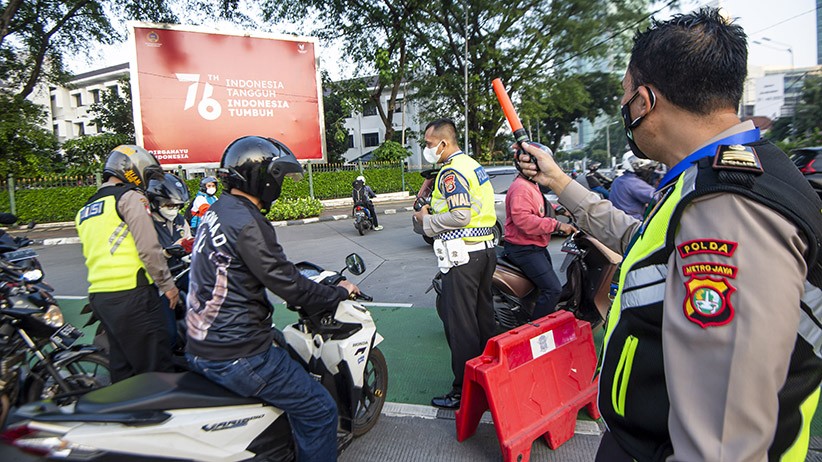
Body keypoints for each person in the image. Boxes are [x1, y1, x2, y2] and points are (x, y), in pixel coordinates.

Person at [515, 8, 822, 461]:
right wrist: (558, 181)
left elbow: (721, 446)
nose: (625, 108)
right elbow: (646, 244)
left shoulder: (730, 208)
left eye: (624, 96)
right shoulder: (709, 179)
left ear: (644, 101)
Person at [185, 136, 360, 462]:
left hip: (203, 341)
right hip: (237, 352)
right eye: (278, 177)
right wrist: (335, 292)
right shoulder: (248, 222)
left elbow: (260, 268)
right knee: (320, 410)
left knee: (285, 347)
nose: (279, 184)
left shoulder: (219, 210)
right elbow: (290, 287)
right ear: (262, 178)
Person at [412, 118, 497, 410]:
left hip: (463, 257)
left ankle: (464, 392)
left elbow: (459, 215)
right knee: (483, 321)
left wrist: (427, 221)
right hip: (484, 252)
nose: (426, 148)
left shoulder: (452, 172)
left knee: (460, 327)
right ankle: (488, 383)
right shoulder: (472, 165)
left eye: (428, 143)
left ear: (444, 143)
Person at [75, 145, 178, 383]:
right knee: (156, 368)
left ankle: (128, 414)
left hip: (100, 297)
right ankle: (157, 414)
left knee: (123, 367)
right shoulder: (131, 198)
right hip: (133, 294)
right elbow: (148, 249)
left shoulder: (87, 208)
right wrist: (167, 285)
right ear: (133, 169)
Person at [504, 147, 576, 320]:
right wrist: (558, 225)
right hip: (524, 248)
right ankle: (535, 331)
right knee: (553, 289)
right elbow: (524, 221)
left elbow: (538, 206)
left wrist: (558, 210)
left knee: (542, 287)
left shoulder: (531, 183)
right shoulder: (521, 188)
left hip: (536, 246)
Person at [146, 172, 193, 347]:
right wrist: (167, 253)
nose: (173, 208)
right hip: (160, 281)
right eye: (169, 204)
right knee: (169, 333)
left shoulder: (180, 220)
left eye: (176, 205)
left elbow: (189, 240)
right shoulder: (147, 223)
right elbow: (147, 256)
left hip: (182, 272)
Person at [609, 152, 657, 220]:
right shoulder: (632, 182)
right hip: (634, 222)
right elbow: (657, 197)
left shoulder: (618, 180)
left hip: (620, 221)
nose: (647, 171)